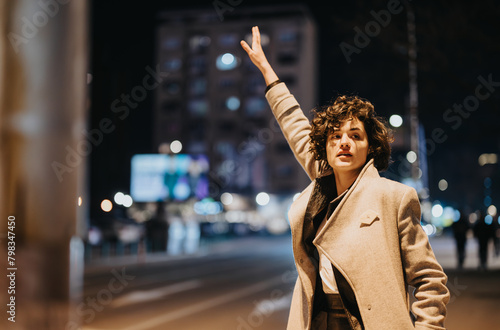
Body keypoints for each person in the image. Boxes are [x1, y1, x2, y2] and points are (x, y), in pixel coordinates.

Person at [241, 26, 450, 330]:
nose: (344, 142)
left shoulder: (393, 197)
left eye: (355, 135)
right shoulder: (321, 189)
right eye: (335, 135)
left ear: (371, 147)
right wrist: (267, 71)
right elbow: (294, 123)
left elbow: (430, 279)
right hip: (318, 320)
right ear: (324, 147)